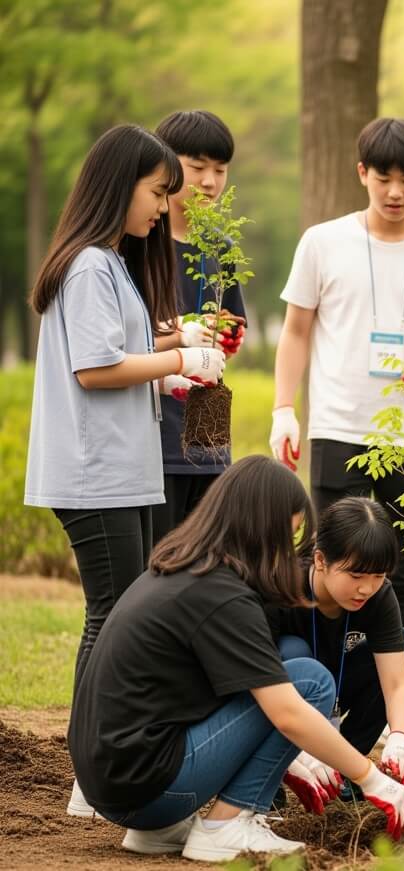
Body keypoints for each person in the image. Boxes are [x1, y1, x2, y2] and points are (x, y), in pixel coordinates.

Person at [67, 456, 404, 862]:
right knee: (309, 682)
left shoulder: (185, 567)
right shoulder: (225, 595)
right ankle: (225, 826)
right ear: (261, 526)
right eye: (288, 534)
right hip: (146, 787)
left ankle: (160, 831)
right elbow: (287, 712)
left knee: (289, 680)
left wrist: (294, 761)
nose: (290, 549)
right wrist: (373, 778)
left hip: (114, 785)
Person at [23, 124, 227, 818]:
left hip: (121, 470)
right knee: (110, 618)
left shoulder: (110, 262)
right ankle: (93, 769)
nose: (163, 206)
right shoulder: (86, 265)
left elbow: (123, 345)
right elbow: (96, 367)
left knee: (120, 616)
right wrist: (179, 361)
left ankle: (98, 762)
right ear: (119, 185)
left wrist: (177, 339)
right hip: (94, 473)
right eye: (157, 190)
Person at [269, 117, 404, 635]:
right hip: (339, 427)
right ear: (361, 172)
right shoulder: (322, 242)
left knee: (402, 571)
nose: (394, 191)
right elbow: (296, 331)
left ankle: (394, 698)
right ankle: (326, 683)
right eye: (383, 178)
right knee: (328, 563)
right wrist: (283, 410)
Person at [268, 497, 404, 805]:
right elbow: (255, 683)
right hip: (284, 696)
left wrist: (400, 740)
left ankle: (347, 771)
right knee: (295, 651)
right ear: (319, 560)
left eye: (378, 576)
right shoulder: (282, 587)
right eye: (355, 576)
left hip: (339, 686)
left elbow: (396, 685)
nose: (366, 588)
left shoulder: (377, 596)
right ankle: (274, 772)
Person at [150, 109, 248, 544]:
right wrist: (187, 329)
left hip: (209, 432)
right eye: (197, 167)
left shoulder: (221, 247)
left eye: (220, 169)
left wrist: (227, 334)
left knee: (203, 558)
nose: (210, 181)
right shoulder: (141, 242)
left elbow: (231, 328)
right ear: (166, 166)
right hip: (155, 434)